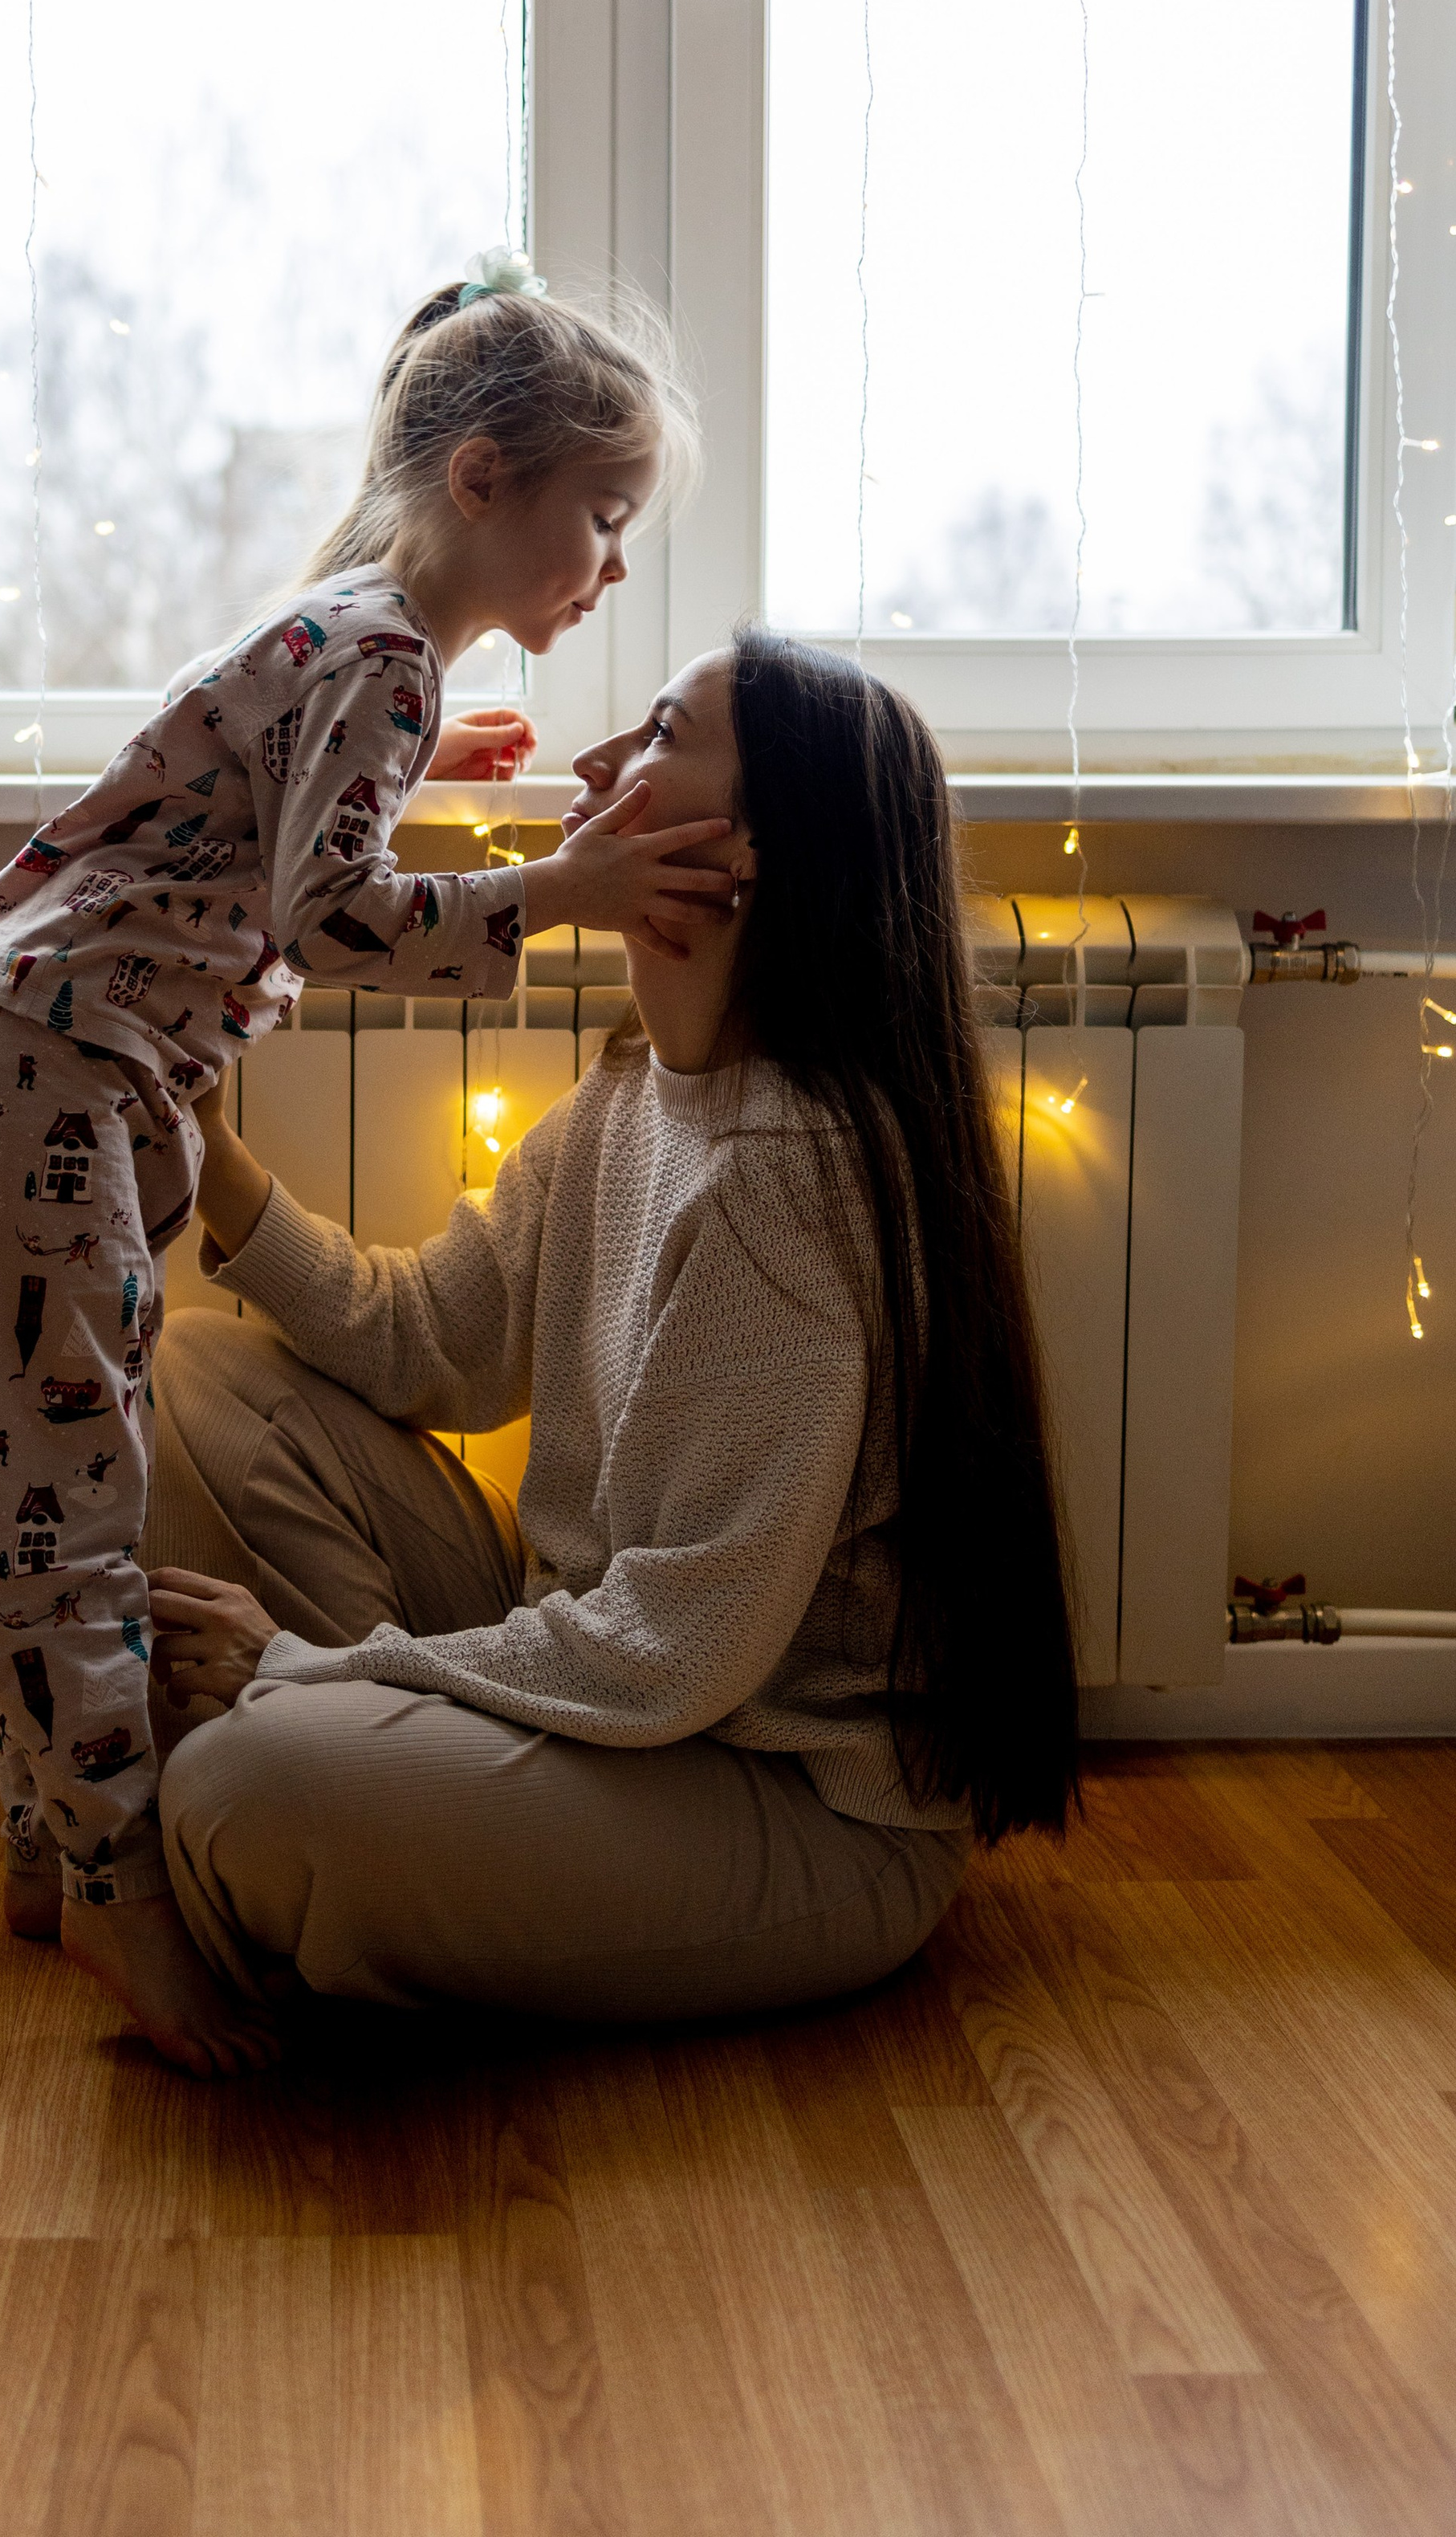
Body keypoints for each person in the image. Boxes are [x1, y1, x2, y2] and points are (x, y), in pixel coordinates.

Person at [0, 252, 732, 2074]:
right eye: (598, 521)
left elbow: (262, 836)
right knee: (69, 1485)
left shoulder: (368, 642)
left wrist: (437, 777)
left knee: (55, 1457)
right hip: (59, 1063)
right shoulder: (374, 652)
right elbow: (339, 921)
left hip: (64, 1058)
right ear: (480, 481)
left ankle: (48, 1856)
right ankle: (119, 1894)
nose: (606, 568)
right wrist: (564, 889)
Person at [138, 630, 1081, 2043]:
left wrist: (306, 1669)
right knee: (199, 1370)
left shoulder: (782, 1175)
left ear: (738, 853)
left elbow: (671, 1655)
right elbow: (425, 1344)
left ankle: (337, 1795)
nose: (588, 765)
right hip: (600, 1678)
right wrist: (207, 1146)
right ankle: (388, 1784)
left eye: (650, 737)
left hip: (776, 1796)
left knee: (242, 1791)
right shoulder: (632, 1096)